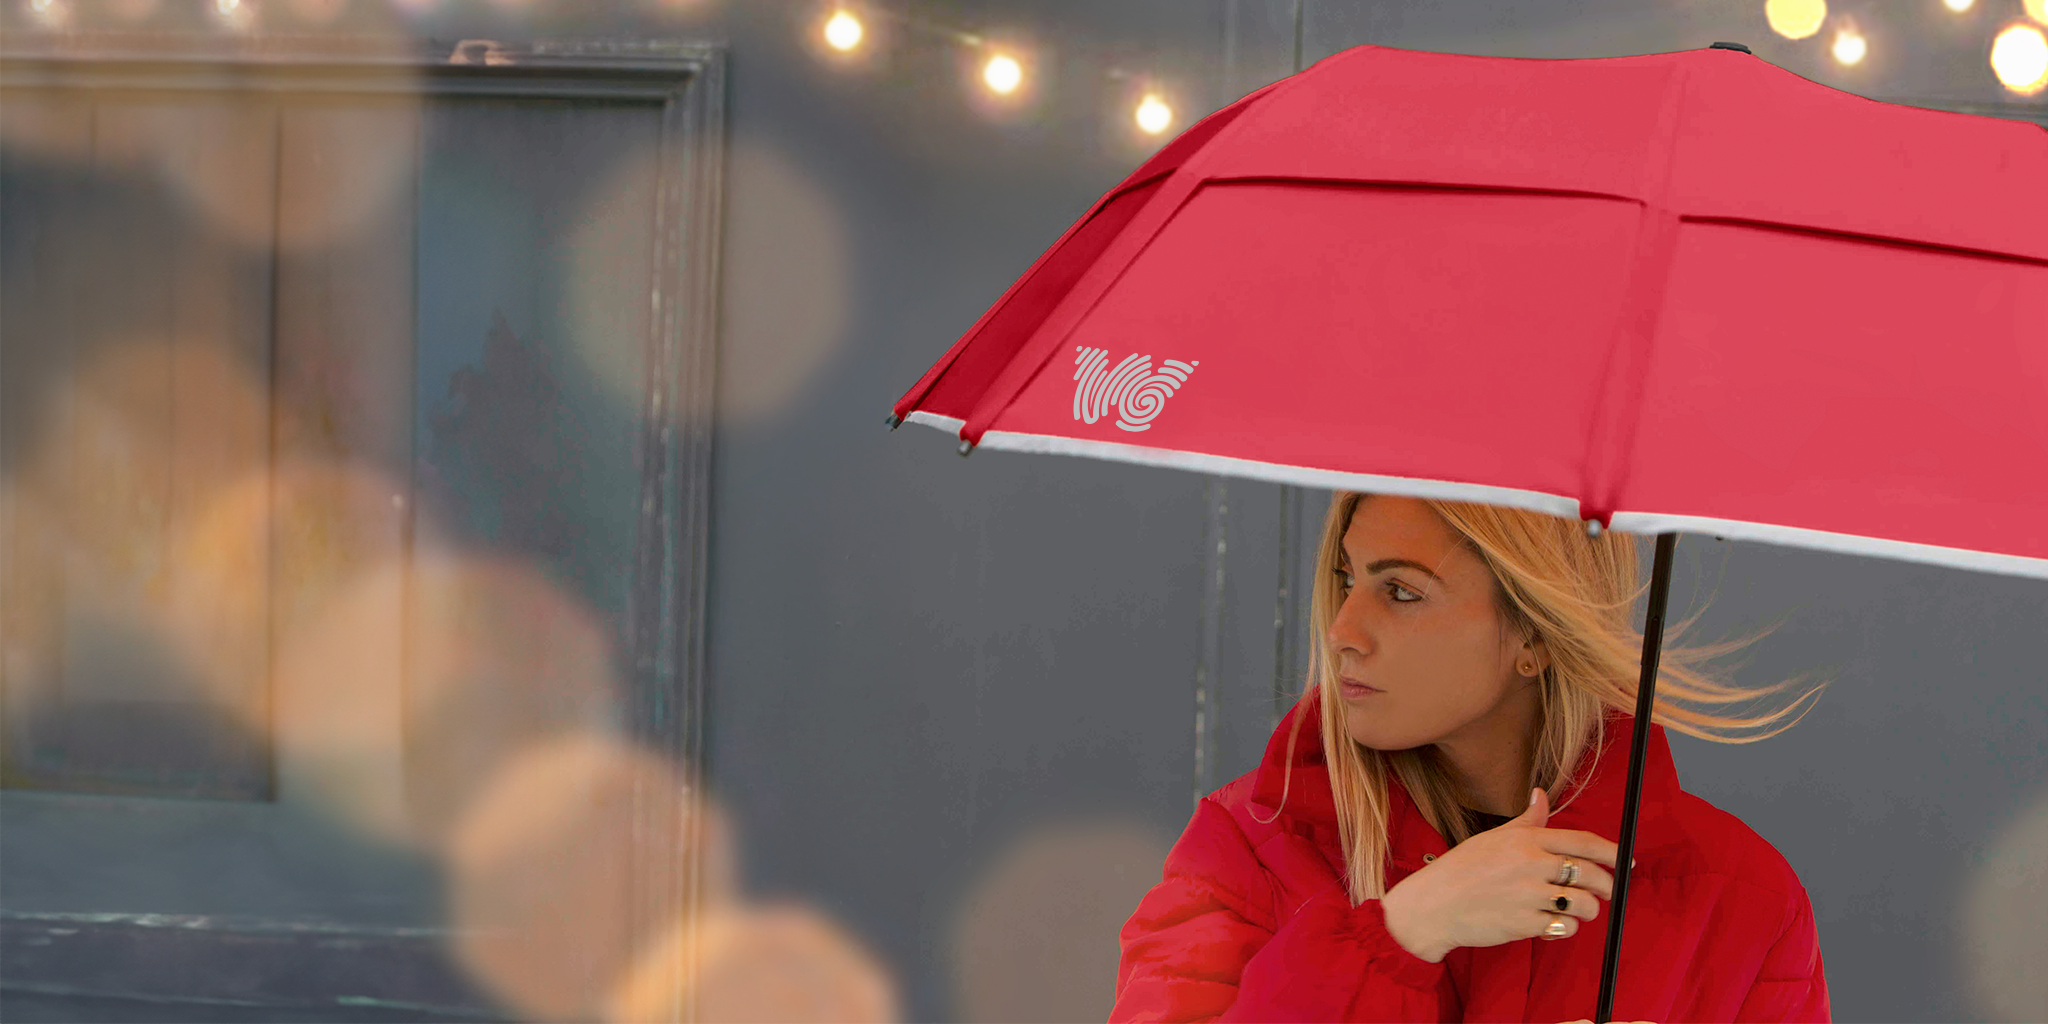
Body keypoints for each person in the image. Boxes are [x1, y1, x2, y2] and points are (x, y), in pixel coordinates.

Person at [1109, 492, 1832, 1023]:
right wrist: (1399, 934)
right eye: (1344, 580)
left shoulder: (1740, 901)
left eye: (1400, 591)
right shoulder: (1251, 851)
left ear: (1537, 637)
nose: (1343, 630)